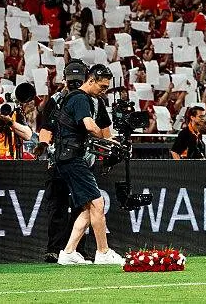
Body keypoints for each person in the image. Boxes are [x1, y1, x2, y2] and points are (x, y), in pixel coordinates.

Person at [51, 64, 124, 265]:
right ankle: (103, 252)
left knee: (87, 208)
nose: (104, 91)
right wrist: (108, 140)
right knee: (98, 203)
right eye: (101, 86)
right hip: (72, 159)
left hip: (69, 158)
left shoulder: (80, 98)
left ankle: (68, 253)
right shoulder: (80, 98)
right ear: (90, 80)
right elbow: (90, 126)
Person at [36, 59, 90, 263]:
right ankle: (54, 249)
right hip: (57, 159)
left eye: (78, 80)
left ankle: (78, 249)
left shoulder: (92, 100)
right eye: (72, 81)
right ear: (65, 80)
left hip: (82, 159)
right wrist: (43, 144)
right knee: (57, 205)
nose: (75, 84)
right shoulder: (55, 100)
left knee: (82, 206)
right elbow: (45, 128)